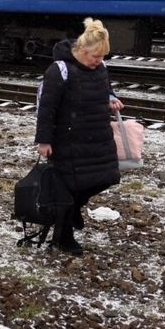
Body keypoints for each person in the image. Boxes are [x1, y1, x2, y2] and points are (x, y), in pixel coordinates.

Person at [35, 17, 123, 256]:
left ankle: (73, 213)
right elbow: (47, 108)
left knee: (107, 178)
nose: (99, 62)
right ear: (82, 51)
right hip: (68, 140)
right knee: (67, 191)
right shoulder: (59, 70)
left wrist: (111, 98)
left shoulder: (101, 68)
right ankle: (63, 238)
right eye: (95, 57)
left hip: (97, 137)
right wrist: (44, 140)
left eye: (102, 57)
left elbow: (104, 88)